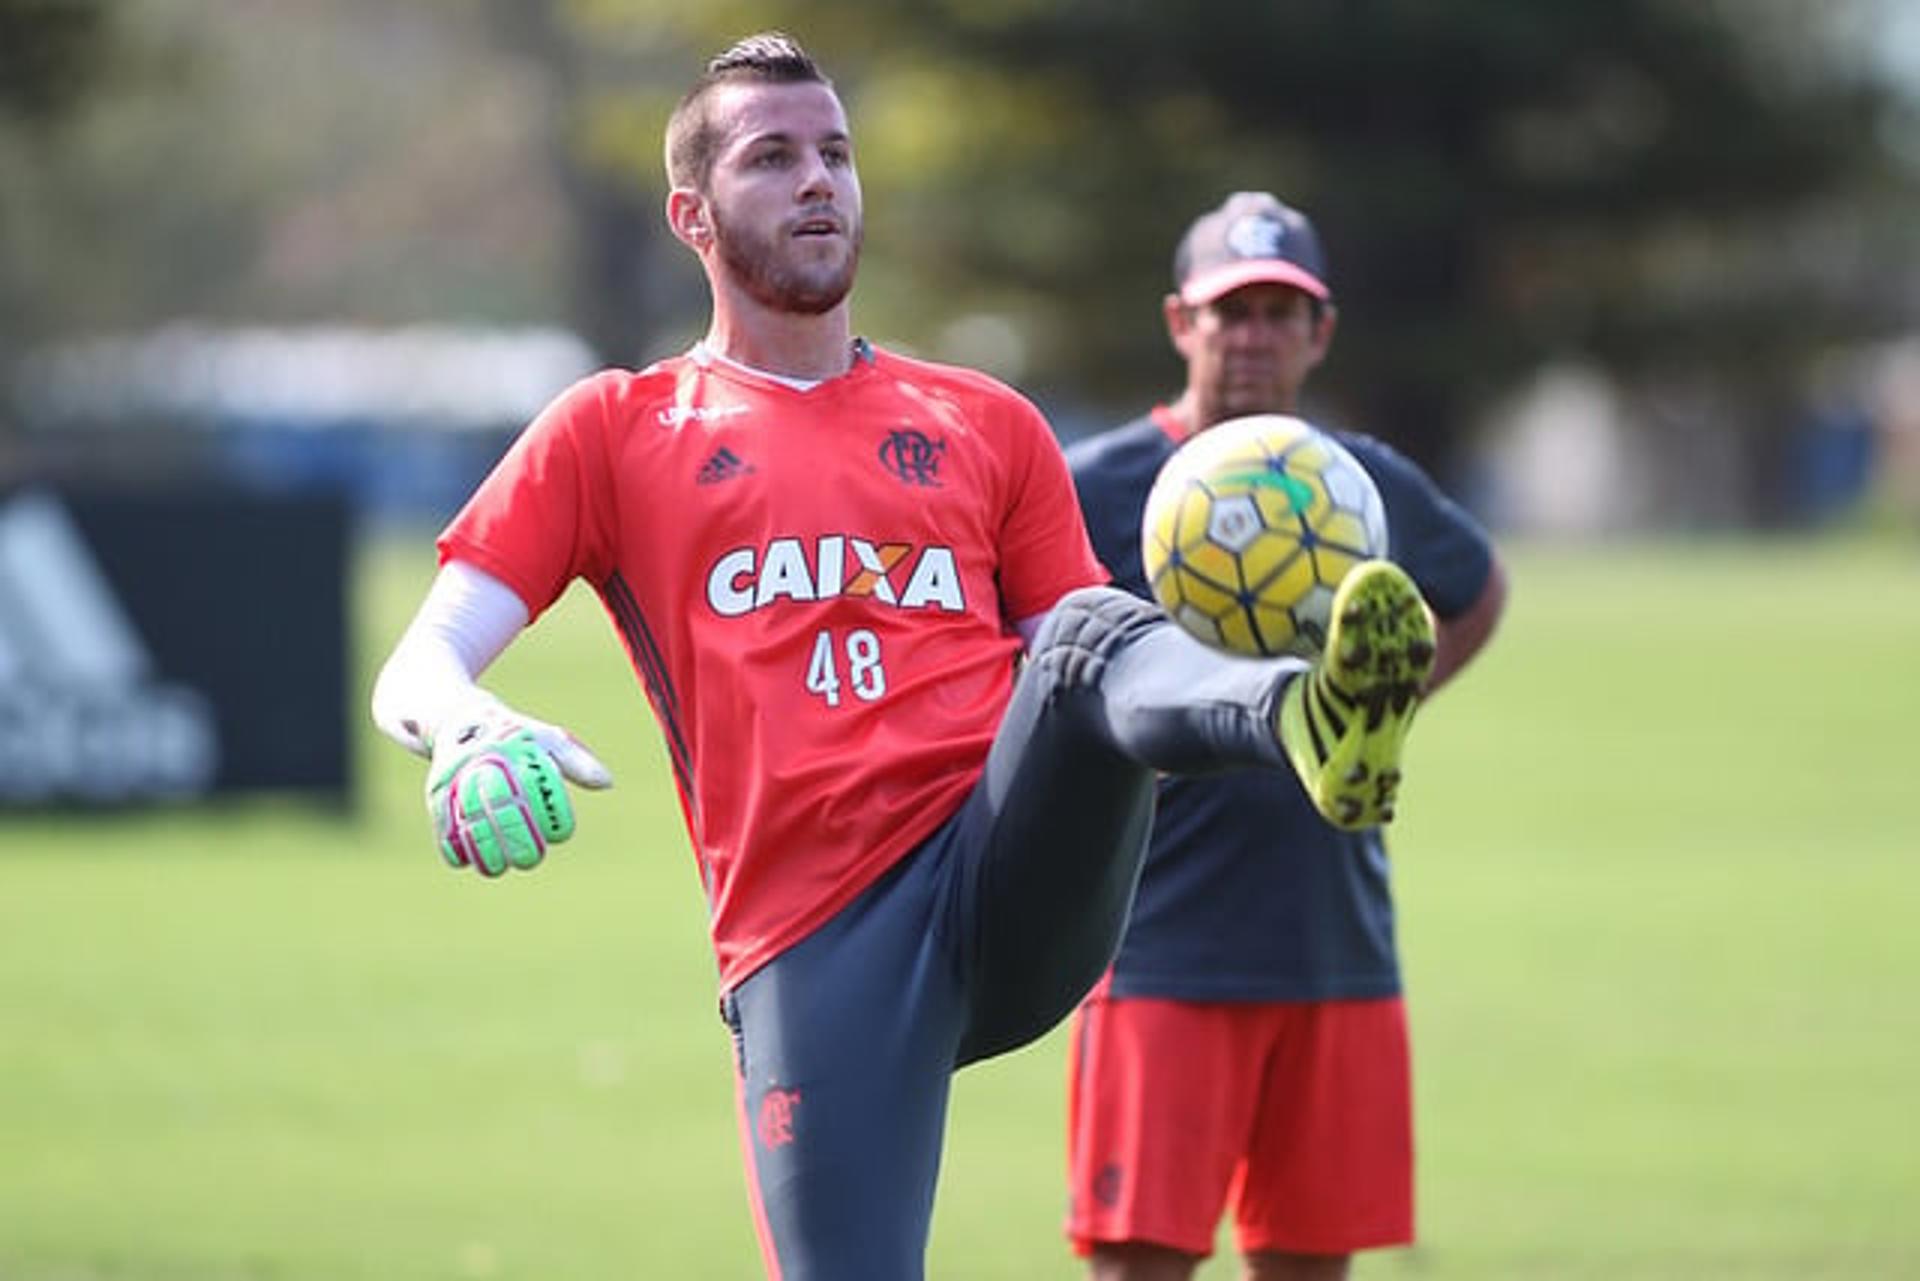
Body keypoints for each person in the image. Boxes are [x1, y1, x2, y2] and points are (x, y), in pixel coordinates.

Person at [370, 39, 1437, 1281]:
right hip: (820, 934)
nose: (819, 180)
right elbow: (420, 663)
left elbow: (1106, 683)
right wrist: (465, 727)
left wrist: (1258, 699)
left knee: (1088, 636)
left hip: (1008, 866)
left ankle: (1307, 717)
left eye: (836, 152)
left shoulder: (983, 421)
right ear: (692, 214)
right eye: (772, 158)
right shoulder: (618, 428)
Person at [1061, 191, 1509, 1281]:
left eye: (1278, 312)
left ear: (1321, 333)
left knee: (1311, 1263)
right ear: (1182, 324)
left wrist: (1378, 707)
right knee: (1141, 1262)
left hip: (1333, 940)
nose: (1253, 336)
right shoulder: (1098, 486)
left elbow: (1477, 587)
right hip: (1159, 941)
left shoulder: (1351, 484)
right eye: (1231, 312)